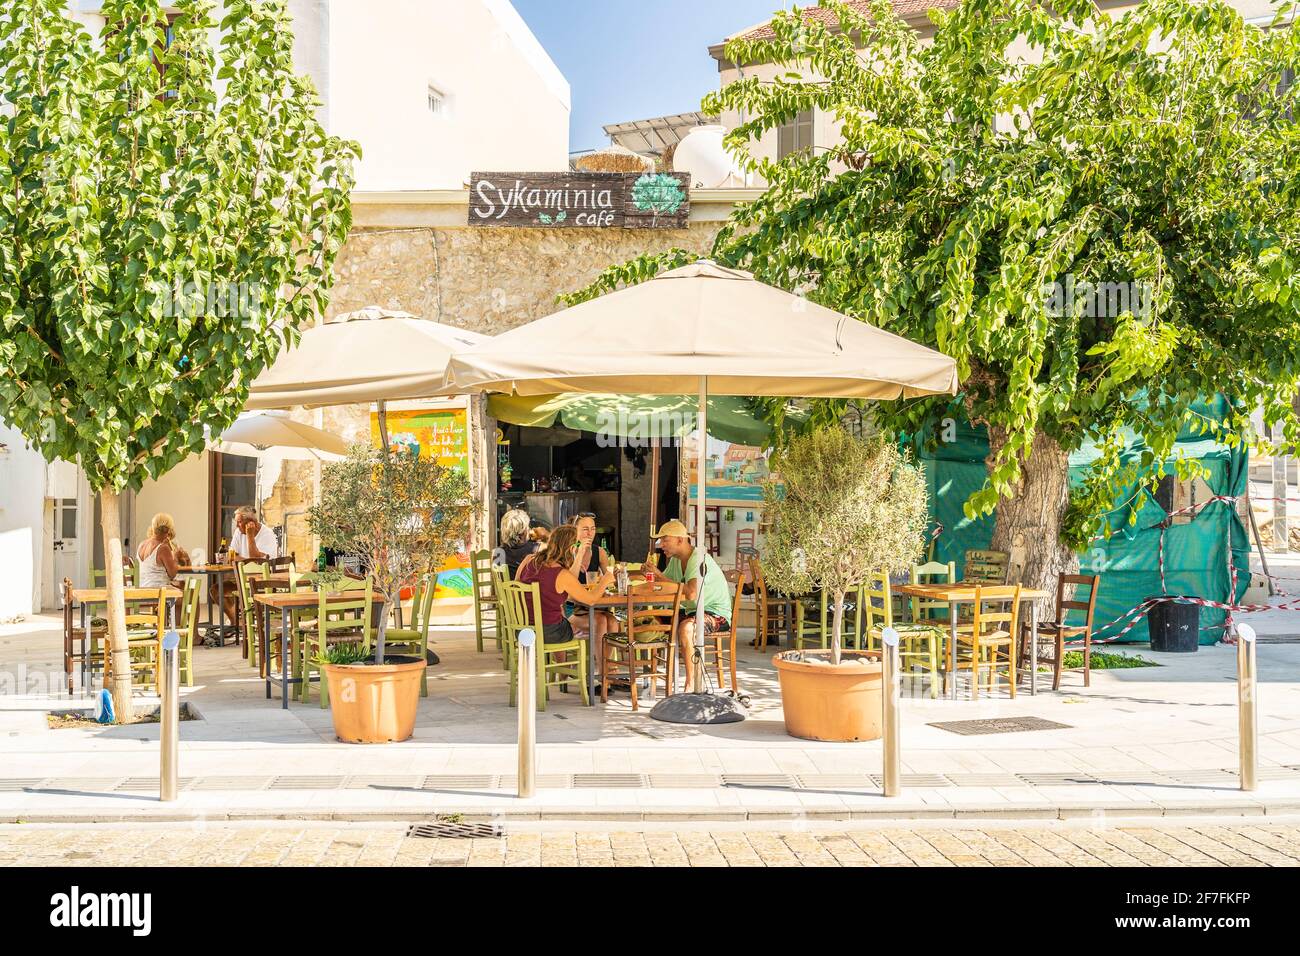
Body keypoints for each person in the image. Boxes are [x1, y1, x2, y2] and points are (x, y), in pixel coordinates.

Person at [654, 519, 732, 691]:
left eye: (665, 540)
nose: (661, 545)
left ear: (680, 540)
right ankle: (652, 678)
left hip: (715, 614)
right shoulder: (675, 560)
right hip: (691, 611)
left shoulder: (698, 559)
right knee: (655, 619)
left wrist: (659, 576)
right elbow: (665, 587)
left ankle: (691, 683)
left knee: (686, 628)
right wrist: (652, 578)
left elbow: (691, 593)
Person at [516, 524, 614, 645]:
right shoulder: (561, 574)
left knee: (568, 620)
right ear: (572, 548)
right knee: (590, 628)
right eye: (579, 545)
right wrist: (605, 579)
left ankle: (564, 662)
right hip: (549, 632)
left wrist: (576, 560)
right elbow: (591, 600)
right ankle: (595, 662)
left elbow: (516, 587)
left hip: (521, 629)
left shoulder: (528, 560)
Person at [216, 506, 280, 624]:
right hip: (242, 580)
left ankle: (244, 622)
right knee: (216, 590)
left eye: (239, 522)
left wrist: (250, 536)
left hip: (261, 583)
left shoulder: (267, 534)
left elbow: (257, 560)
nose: (236, 525)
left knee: (240, 591)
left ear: (251, 523)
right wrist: (248, 562)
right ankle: (237, 622)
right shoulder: (238, 532)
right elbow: (232, 556)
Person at [492, 508, 539, 580]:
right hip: (530, 591)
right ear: (523, 531)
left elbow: (498, 581)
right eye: (528, 526)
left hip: (505, 591)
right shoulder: (536, 549)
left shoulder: (498, 552)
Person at [137, 513, 180, 588]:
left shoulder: (142, 545)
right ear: (168, 530)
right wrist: (175, 556)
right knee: (191, 594)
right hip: (158, 593)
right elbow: (173, 574)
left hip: (142, 591)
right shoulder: (163, 548)